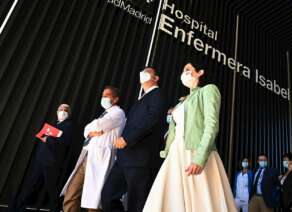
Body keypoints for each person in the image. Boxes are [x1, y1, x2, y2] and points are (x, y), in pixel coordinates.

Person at [142, 61, 237, 212]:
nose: (184, 73)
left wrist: (199, 158)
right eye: (183, 70)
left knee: (201, 201)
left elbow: (211, 125)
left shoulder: (208, 90)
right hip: (175, 153)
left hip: (195, 152)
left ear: (200, 72)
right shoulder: (183, 100)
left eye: (188, 69)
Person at [101, 67, 167, 212]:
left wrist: (127, 139)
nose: (143, 74)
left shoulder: (157, 95)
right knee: (107, 196)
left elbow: (152, 120)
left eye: (148, 72)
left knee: (136, 204)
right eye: (142, 72)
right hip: (124, 158)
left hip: (140, 159)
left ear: (156, 78)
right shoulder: (141, 99)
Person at [61, 86, 125, 212]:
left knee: (94, 200)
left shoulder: (118, 113)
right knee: (72, 193)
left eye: (107, 95)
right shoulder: (103, 114)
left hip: (100, 158)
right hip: (87, 155)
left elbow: (98, 125)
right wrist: (91, 131)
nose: (104, 97)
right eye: (103, 95)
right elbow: (87, 129)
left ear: (116, 99)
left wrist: (92, 129)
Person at [10, 104, 73, 212]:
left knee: (52, 189)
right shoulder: (53, 125)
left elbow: (64, 143)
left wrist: (48, 138)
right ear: (57, 112)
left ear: (69, 113)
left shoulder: (69, 126)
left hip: (52, 162)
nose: (63, 111)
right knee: (31, 185)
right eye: (60, 109)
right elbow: (42, 138)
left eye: (65, 110)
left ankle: (56, 209)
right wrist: (48, 138)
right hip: (40, 160)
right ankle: (17, 208)